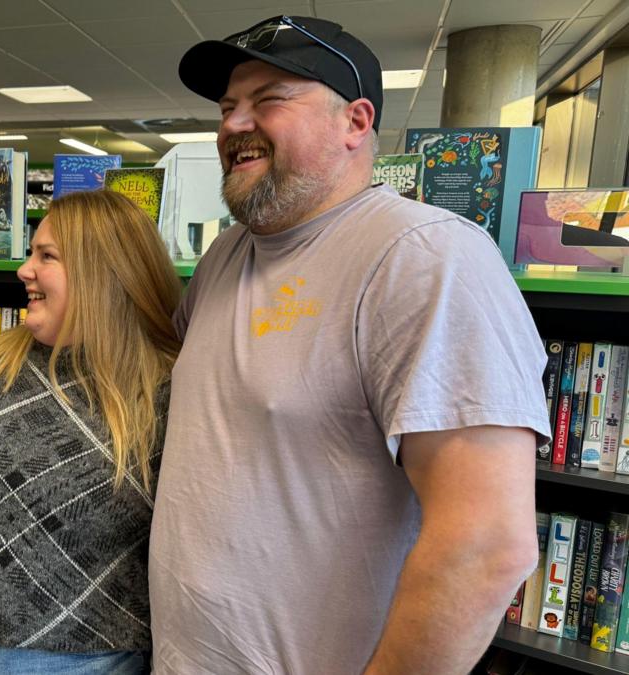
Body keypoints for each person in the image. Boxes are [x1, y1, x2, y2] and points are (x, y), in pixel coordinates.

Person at [149, 16, 550, 675]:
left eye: (268, 100)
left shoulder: (425, 257)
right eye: (227, 107)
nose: (232, 124)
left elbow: (486, 545)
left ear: (355, 123)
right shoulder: (226, 256)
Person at [0, 190, 182, 675]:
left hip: (90, 661)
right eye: (31, 253)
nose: (24, 270)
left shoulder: (164, 389)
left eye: (46, 256)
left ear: (102, 273)